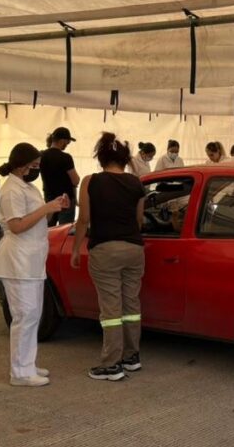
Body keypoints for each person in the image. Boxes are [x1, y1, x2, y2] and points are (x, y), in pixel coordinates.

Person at [71, 133, 146, 382]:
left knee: (111, 309)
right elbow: (139, 220)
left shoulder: (90, 182)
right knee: (131, 305)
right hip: (134, 250)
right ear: (125, 160)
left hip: (105, 249)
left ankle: (111, 364)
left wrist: (75, 249)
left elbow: (84, 220)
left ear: (101, 158)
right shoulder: (137, 184)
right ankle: (131, 357)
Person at [0, 143, 70, 387]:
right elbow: (16, 225)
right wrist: (46, 208)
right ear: (22, 165)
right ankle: (20, 372)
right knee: (24, 316)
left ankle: (27, 363)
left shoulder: (27, 187)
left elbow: (37, 218)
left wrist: (55, 206)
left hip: (32, 260)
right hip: (18, 261)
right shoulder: (10, 191)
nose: (37, 170)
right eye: (34, 166)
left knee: (33, 315)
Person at [40, 127, 79, 225]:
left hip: (49, 199)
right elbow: (75, 181)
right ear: (62, 141)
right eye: (68, 142)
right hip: (66, 201)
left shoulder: (41, 156)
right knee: (64, 231)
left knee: (48, 230)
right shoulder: (66, 157)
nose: (67, 145)